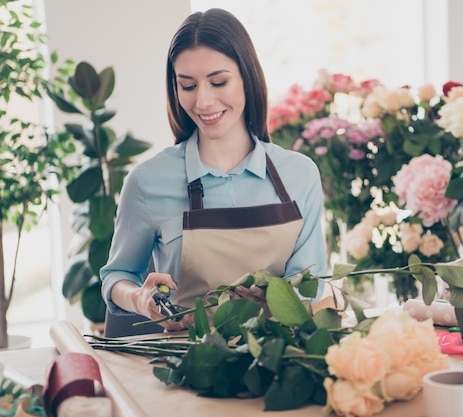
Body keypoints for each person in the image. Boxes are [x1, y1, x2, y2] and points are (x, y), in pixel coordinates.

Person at [100, 8, 327, 331]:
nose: (203, 101)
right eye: (188, 86)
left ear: (247, 78)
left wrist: (280, 301)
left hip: (279, 358)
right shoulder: (147, 181)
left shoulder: (300, 174)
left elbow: (311, 285)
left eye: (218, 82)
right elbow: (116, 276)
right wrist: (138, 298)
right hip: (184, 362)